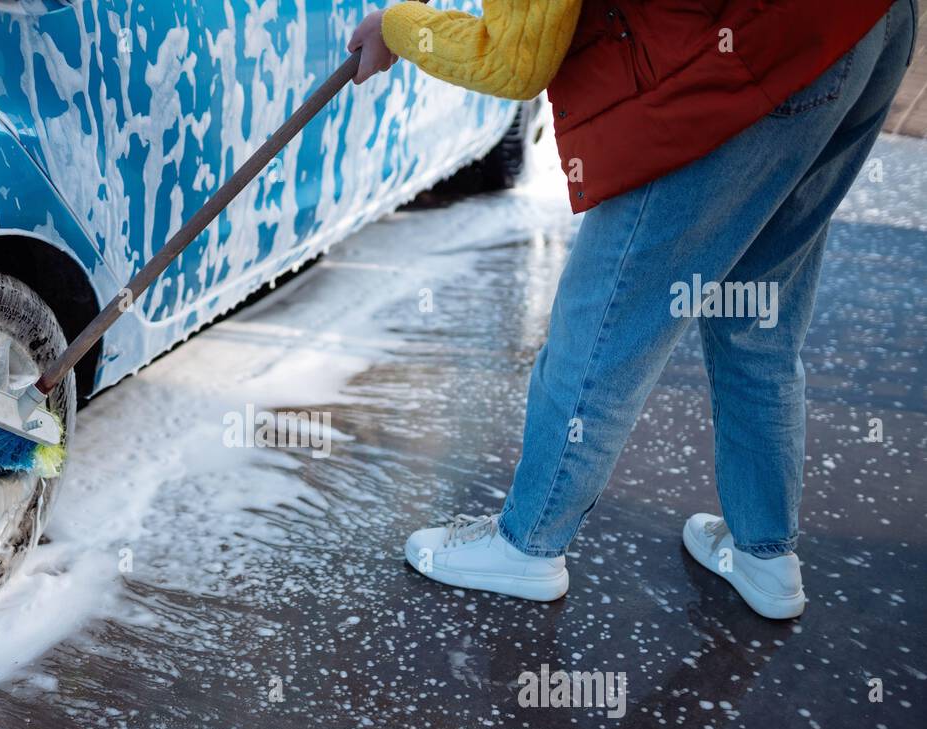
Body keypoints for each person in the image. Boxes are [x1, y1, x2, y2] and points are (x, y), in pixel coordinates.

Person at [349, 0, 915, 619]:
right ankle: (764, 553)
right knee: (757, 313)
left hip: (752, 50)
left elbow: (511, 61)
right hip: (865, 26)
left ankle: (526, 546)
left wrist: (397, 28)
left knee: (601, 327)